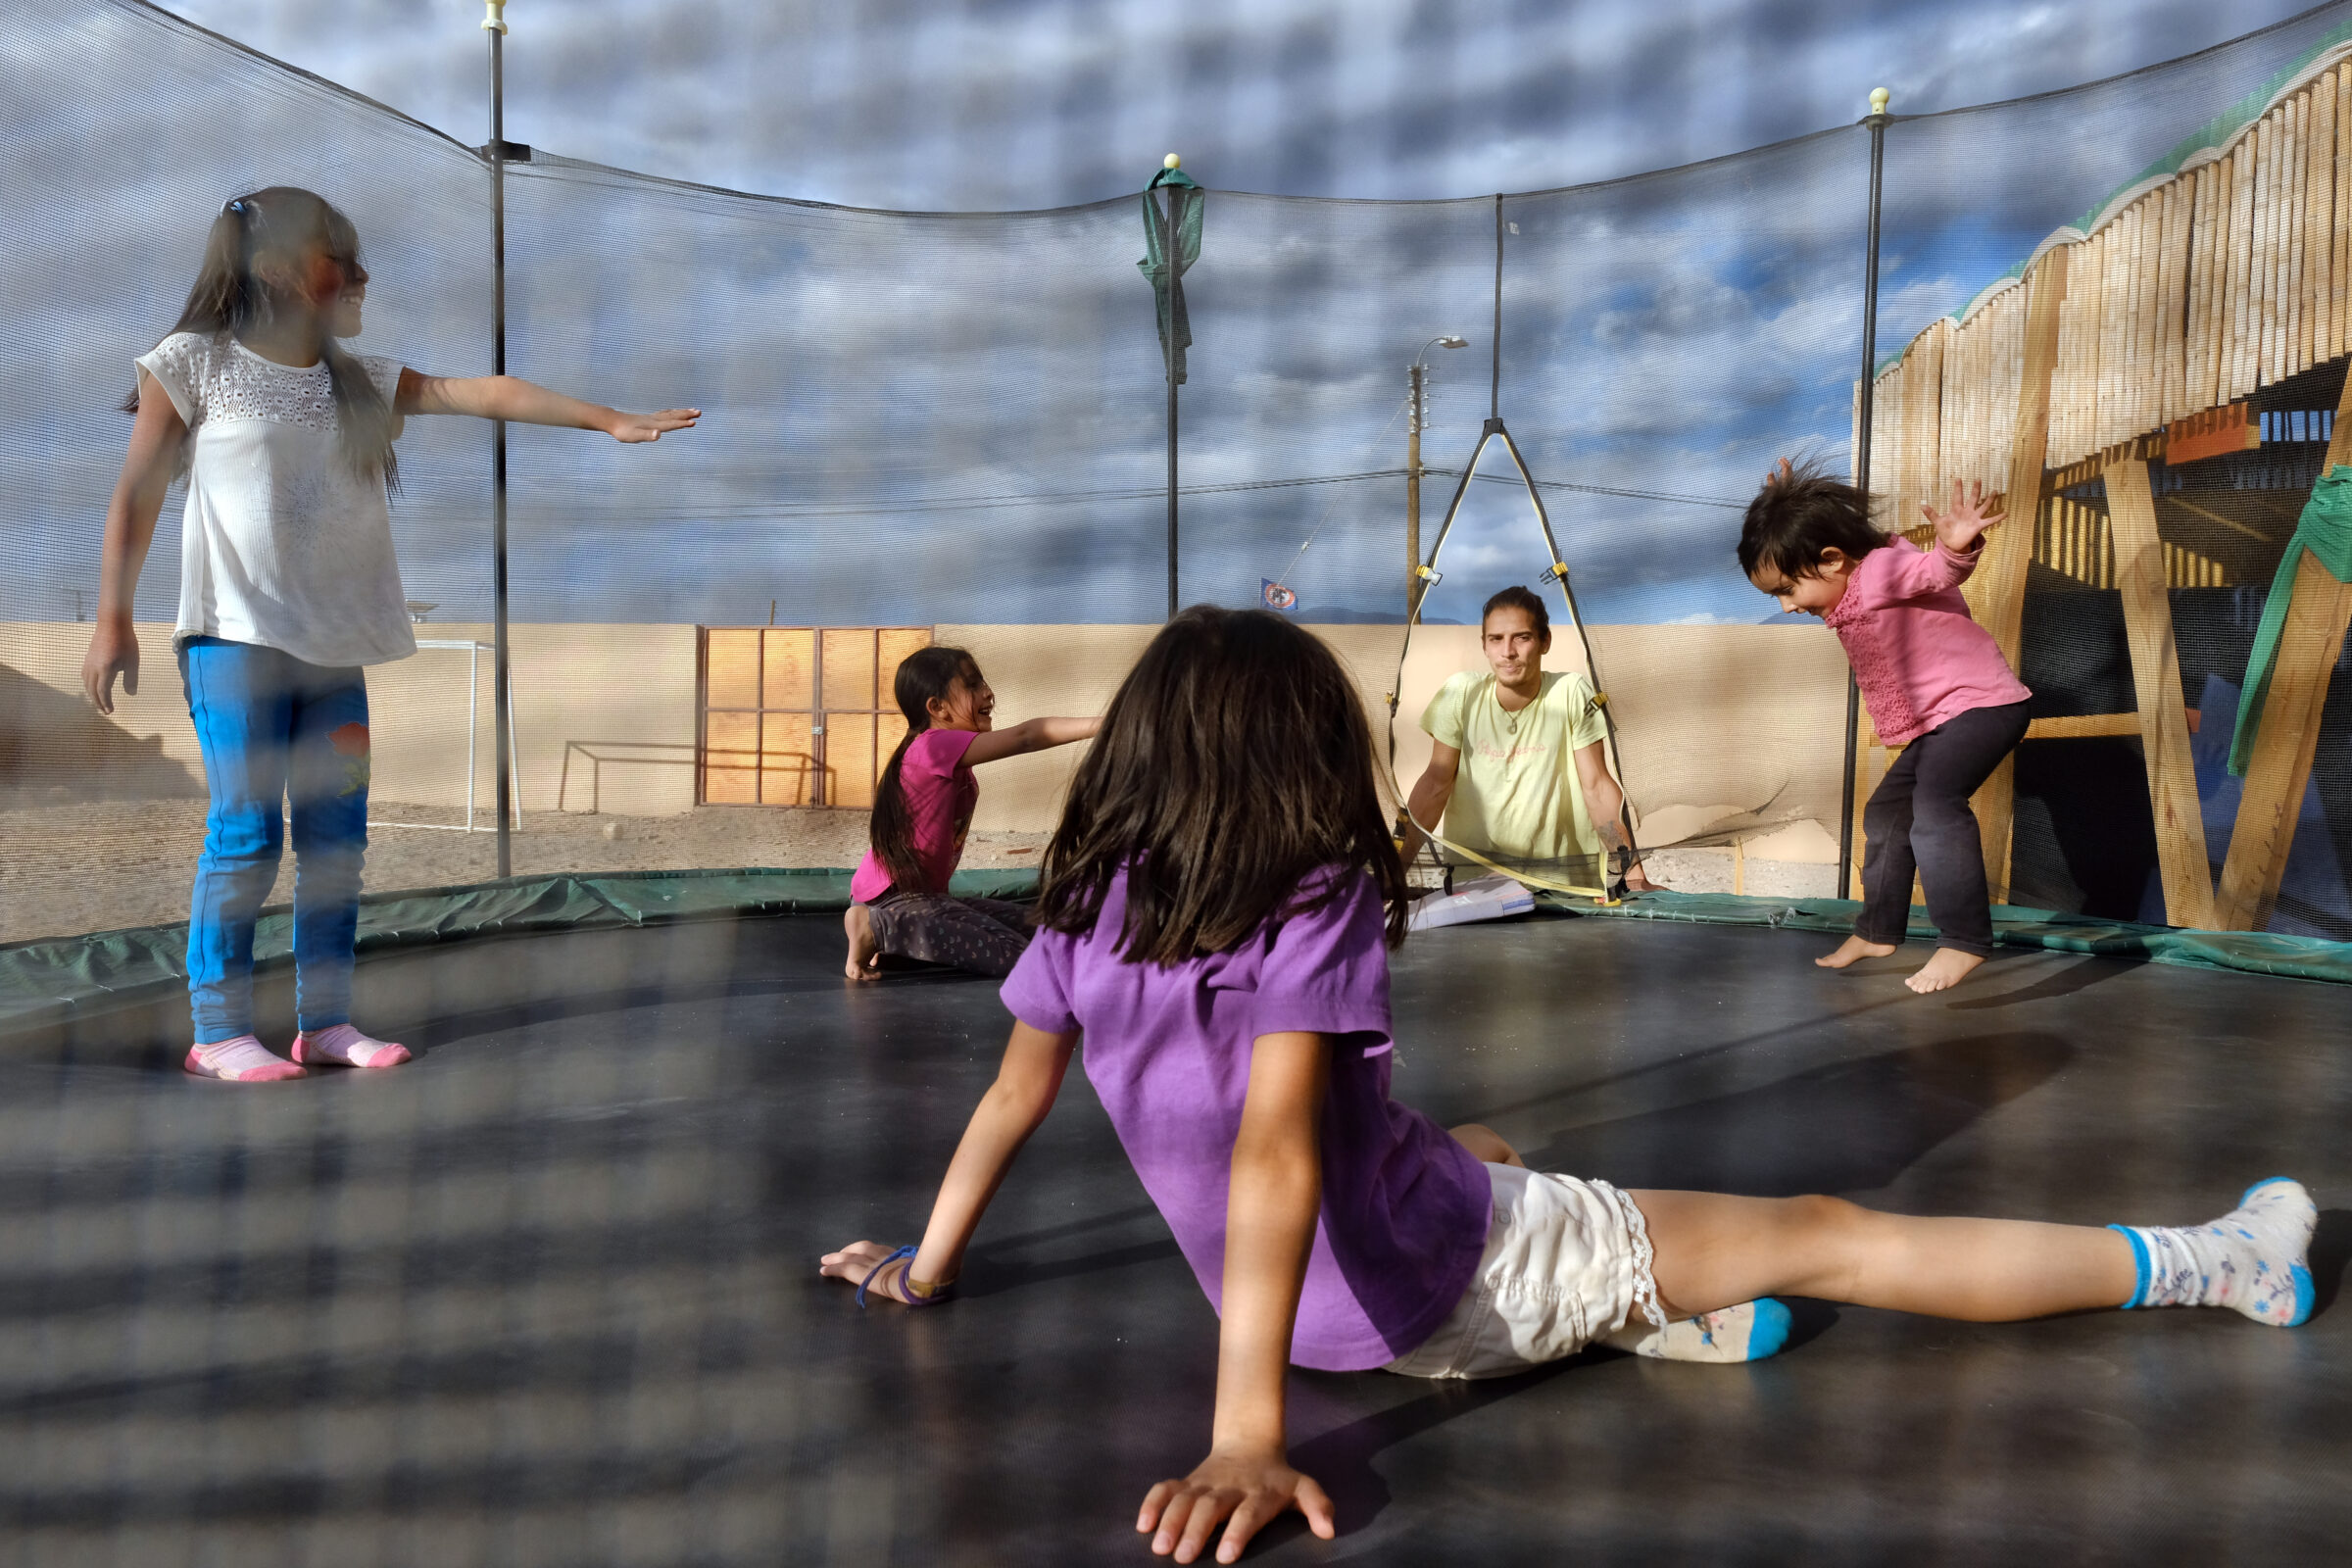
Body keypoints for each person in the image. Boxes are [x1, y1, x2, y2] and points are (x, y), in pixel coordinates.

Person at [817, 607, 2312, 1565]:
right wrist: (1246, 1434)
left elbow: (1015, 1098)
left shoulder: (1090, 901)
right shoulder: (1310, 887)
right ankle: (2216, 1264)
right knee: (1830, 1226)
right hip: (1429, 1295)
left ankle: (1661, 1309)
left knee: (1477, 1139)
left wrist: (927, 1267)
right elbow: (1277, 1152)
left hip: (1315, 1296)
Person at [80, 186, 699, 1082]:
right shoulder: (193, 364)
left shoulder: (359, 381)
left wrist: (607, 419)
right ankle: (216, 1030)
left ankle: (323, 1022)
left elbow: (483, 390)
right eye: (343, 256)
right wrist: (113, 620)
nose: (361, 275)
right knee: (247, 833)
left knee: (335, 842)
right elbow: (135, 491)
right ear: (281, 268)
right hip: (235, 644)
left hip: (334, 652)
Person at [1740, 460, 2033, 994]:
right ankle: (1877, 930)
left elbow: (1934, 571)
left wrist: (1955, 547)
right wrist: (1782, 504)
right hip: (1943, 722)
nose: (1786, 607)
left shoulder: (1877, 571)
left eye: (1786, 589)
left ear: (1831, 560)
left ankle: (1963, 940)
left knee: (1936, 806)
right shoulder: (1848, 585)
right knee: (1888, 814)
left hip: (1979, 708)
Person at [843, 646, 1098, 980]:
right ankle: (876, 928)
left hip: (924, 899)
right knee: (1018, 956)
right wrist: (1108, 724)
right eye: (973, 685)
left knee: (1044, 930)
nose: (988, 693)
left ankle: (894, 947)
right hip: (892, 898)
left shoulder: (946, 757)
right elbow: (1026, 737)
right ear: (937, 708)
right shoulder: (931, 746)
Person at [1405, 585, 1658, 894]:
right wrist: (1396, 869)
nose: (1507, 651)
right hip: (1475, 890)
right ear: (1484, 645)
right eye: (1496, 639)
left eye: (1521, 637)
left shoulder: (1571, 693)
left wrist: (1632, 874)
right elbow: (1435, 783)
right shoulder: (1460, 694)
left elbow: (1597, 789)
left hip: (1563, 889)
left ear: (1544, 641)